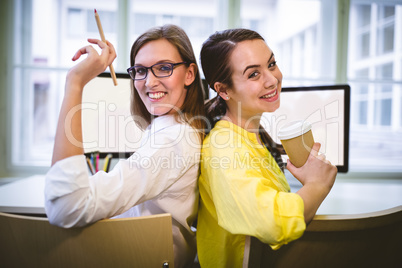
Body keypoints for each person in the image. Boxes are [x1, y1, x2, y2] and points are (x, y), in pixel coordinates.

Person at [45, 24, 206, 267]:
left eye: (164, 68)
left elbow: (66, 207)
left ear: (189, 74)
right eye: (140, 70)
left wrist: (75, 83)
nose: (149, 82)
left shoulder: (173, 140)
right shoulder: (168, 129)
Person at [196, 28, 338, 267]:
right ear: (223, 90)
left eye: (271, 64)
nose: (272, 79)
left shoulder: (253, 136)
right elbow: (273, 223)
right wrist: (318, 185)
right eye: (253, 74)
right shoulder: (224, 148)